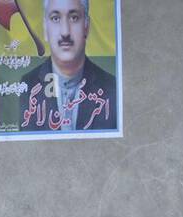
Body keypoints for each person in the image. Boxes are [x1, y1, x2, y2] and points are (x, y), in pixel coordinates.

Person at [18, 0, 117, 133]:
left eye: (74, 18)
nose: (65, 32)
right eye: (55, 18)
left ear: (86, 26)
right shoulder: (28, 86)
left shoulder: (111, 87)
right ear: (45, 29)